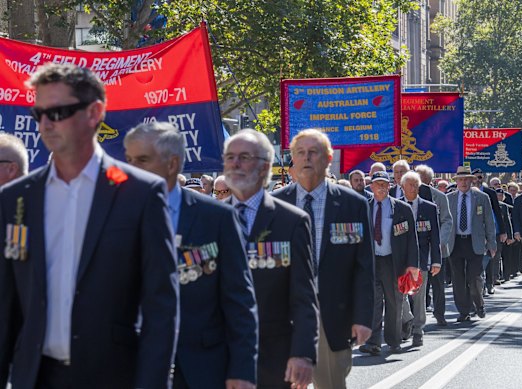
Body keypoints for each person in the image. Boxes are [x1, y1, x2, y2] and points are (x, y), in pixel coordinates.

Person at [0, 63, 179, 388]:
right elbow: (5, 304)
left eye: (58, 112)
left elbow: (161, 306)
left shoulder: (139, 193)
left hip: (113, 377)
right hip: (35, 377)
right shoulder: (15, 198)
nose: (45, 124)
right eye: (38, 113)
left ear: (94, 112)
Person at [124, 122, 258, 389]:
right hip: (132, 366)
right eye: (128, 160)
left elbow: (239, 300)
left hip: (201, 367)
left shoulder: (217, 218)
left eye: (142, 160)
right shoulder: (114, 214)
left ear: (172, 164)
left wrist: (242, 369)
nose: (131, 168)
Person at [273, 129, 374, 389]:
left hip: (332, 316)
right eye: (300, 153)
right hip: (283, 316)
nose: (306, 158)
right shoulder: (274, 204)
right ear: (292, 159)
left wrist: (363, 317)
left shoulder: (353, 204)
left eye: (313, 152)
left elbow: (363, 267)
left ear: (328, 158)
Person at [223, 129, 318, 389]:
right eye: (230, 157)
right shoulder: (207, 217)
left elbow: (303, 296)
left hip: (273, 356)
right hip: (216, 354)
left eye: (244, 157)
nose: (235, 164)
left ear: (265, 166)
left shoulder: (292, 221)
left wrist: (303, 353)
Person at [359, 171, 419, 355]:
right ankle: (373, 342)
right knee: (373, 302)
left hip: (393, 262)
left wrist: (412, 265)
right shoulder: (363, 208)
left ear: (390, 186)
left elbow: (411, 239)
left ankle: (394, 341)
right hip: (371, 262)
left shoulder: (401, 209)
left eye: (384, 184)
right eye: (377, 184)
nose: (381, 187)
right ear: (371, 187)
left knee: (395, 302)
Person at [447, 166, 496, 321]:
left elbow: (489, 222)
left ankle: (478, 304)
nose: (463, 182)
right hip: (455, 243)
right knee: (458, 279)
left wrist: (492, 244)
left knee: (475, 277)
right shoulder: (450, 198)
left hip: (474, 242)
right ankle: (464, 310)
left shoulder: (481, 197)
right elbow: (445, 222)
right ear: (456, 182)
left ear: (471, 180)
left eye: (466, 179)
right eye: (460, 179)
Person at [400, 172, 440, 347]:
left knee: (419, 296)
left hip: (421, 259)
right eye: (409, 185)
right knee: (398, 295)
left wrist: (436, 261)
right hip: (400, 259)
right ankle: (407, 319)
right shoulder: (396, 206)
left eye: (416, 185)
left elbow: (435, 237)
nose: (413, 188)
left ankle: (418, 330)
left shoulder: (429, 207)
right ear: (402, 187)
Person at [414, 165, 452, 325]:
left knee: (438, 284)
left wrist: (440, 242)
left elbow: (447, 221)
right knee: (419, 284)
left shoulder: (440, 197)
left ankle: (439, 313)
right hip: (418, 248)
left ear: (428, 180)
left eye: (420, 178)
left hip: (437, 249)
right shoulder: (409, 195)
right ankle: (417, 316)